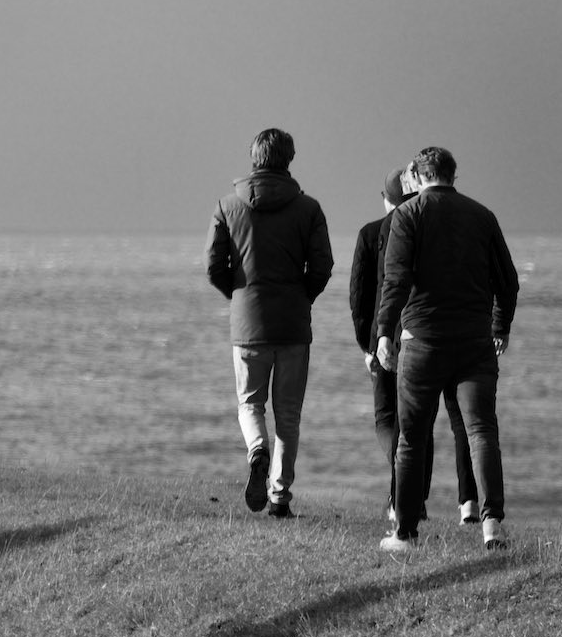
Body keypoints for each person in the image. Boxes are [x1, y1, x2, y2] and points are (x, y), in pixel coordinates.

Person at [375, 147, 519, 551]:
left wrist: (385, 331)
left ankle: (404, 533)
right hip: (475, 343)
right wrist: (500, 326)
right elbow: (508, 282)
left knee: (411, 438)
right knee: (481, 430)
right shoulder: (482, 217)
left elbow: (396, 281)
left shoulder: (407, 216)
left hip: (422, 342)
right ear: (453, 176)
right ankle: (492, 525)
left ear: (419, 178)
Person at [205, 128, 334, 518]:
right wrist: (303, 296)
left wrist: (238, 295)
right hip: (293, 324)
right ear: (289, 159)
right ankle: (279, 496)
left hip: (248, 324)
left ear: (254, 158)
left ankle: (256, 448)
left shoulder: (228, 206)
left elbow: (214, 266)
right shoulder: (308, 208)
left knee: (250, 403)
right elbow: (323, 266)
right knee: (289, 414)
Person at [349, 164, 479, 528]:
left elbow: (360, 297)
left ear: (384, 198)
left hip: (387, 335)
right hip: (428, 332)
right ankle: (420, 499)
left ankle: (402, 496)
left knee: (387, 419)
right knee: (422, 423)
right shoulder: (429, 227)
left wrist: (369, 344)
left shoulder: (371, 232)